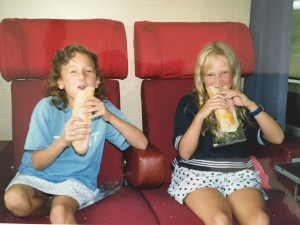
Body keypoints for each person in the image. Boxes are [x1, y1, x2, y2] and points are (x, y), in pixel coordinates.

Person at [4, 44, 148, 224]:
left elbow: (142, 143)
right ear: (60, 82)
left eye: (88, 71)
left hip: (76, 180)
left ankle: (56, 205)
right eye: (73, 71)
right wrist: (63, 140)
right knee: (14, 200)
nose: (81, 76)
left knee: (60, 212)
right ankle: (47, 204)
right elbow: (37, 163)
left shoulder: (102, 109)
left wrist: (110, 117)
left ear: (96, 81)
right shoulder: (46, 108)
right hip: (37, 176)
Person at [168, 42, 284, 225]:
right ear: (202, 77)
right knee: (220, 220)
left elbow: (277, 137)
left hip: (239, 173)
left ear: (234, 74)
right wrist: (201, 115)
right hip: (198, 173)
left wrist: (250, 105)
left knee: (260, 220)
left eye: (224, 73)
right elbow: (184, 153)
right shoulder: (189, 103)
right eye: (210, 75)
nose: (219, 81)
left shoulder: (242, 102)